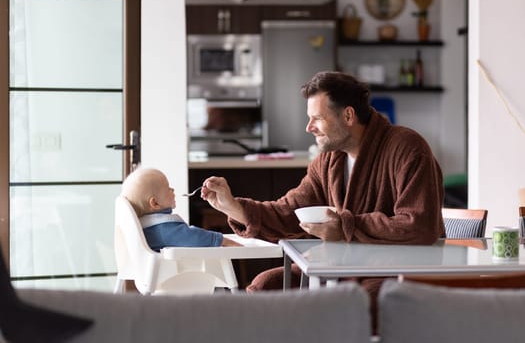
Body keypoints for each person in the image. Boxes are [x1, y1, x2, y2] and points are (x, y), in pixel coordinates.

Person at [200, 71, 445, 328]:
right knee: (265, 286)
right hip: (339, 269)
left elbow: (419, 224)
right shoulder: (328, 161)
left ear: (348, 116)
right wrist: (234, 207)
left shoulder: (407, 148)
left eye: (317, 118)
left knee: (363, 305)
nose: (309, 127)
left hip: (391, 272)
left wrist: (346, 227)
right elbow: (290, 211)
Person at [121, 167, 241, 250]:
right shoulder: (163, 229)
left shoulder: (147, 227)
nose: (172, 190)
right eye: (168, 188)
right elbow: (192, 237)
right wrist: (222, 240)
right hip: (175, 278)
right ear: (155, 203)